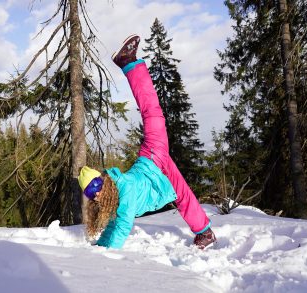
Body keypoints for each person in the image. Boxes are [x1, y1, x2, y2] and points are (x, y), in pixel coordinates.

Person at [78, 35, 216, 250]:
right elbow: (114, 227)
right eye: (89, 192)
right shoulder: (114, 198)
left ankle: (129, 64)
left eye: (95, 185)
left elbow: (123, 227)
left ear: (104, 180)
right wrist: (100, 247)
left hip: (154, 155)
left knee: (152, 113)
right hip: (152, 164)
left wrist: (107, 254)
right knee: (180, 192)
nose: (94, 193)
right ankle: (204, 231)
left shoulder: (124, 191)